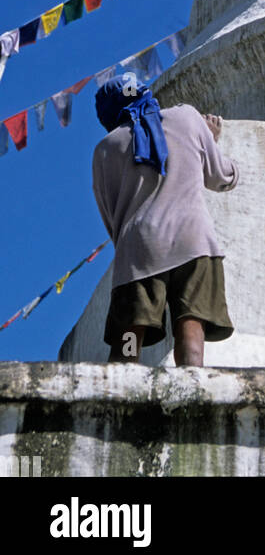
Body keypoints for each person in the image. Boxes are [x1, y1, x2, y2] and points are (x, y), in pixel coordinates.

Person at [91, 75, 238, 368]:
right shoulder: (187, 117)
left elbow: (111, 219)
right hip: (193, 240)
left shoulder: (105, 148)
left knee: (130, 335)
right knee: (190, 321)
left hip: (139, 248)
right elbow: (222, 177)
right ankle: (191, 387)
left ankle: (120, 392)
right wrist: (210, 140)